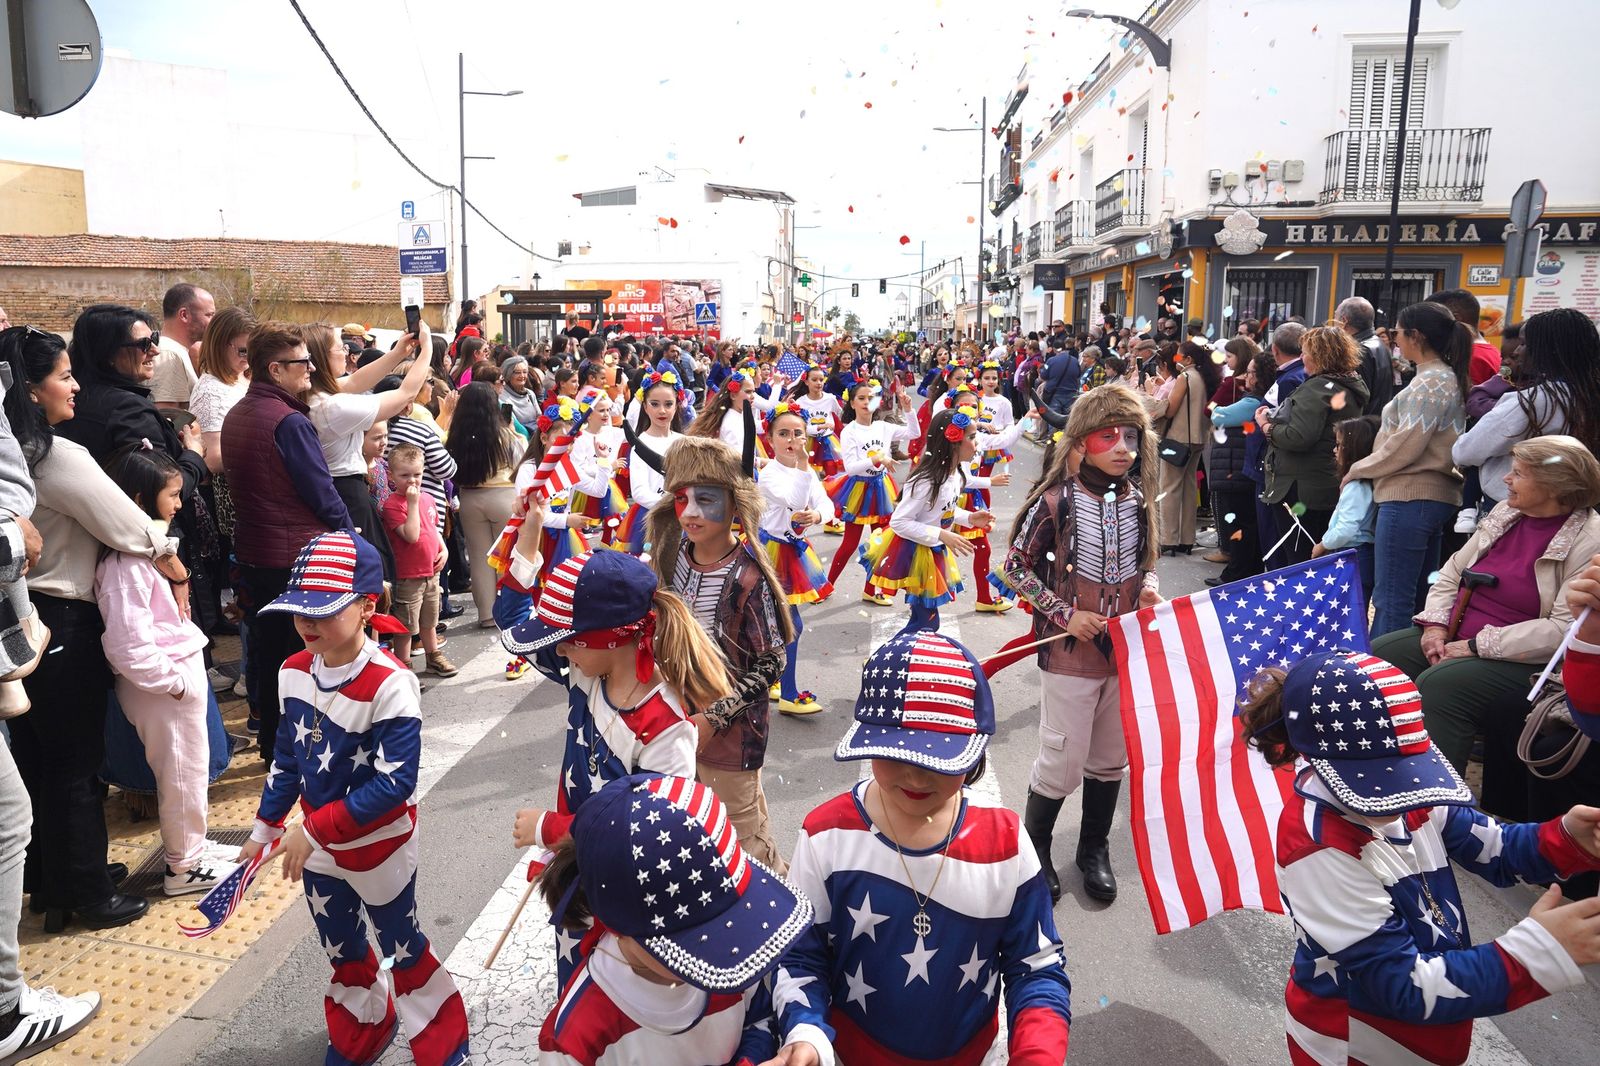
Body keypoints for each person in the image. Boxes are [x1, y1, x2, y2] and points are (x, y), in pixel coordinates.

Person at [1238, 650, 1600, 1066]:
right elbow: (1402, 987)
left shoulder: (1411, 792)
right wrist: (1539, 952)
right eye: (1378, 781)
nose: (1401, 795)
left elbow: (1496, 849)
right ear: (1318, 759)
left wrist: (1567, 837)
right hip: (1357, 1043)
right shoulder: (1318, 847)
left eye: (1406, 774)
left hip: (1431, 1027)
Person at [769, 630, 1073, 1066]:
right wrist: (806, 1033)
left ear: (975, 749)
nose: (914, 777)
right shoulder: (825, 834)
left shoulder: (1006, 842)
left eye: (937, 757)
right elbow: (800, 955)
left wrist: (1038, 1055)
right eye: (894, 753)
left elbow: (1037, 967)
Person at [237, 532, 469, 1066]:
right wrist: (263, 832)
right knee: (340, 944)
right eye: (300, 608)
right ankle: (364, 1026)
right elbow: (287, 760)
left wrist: (311, 829)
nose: (307, 621)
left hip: (379, 846)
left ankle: (441, 1039)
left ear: (367, 606)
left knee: (402, 945)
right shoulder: (292, 671)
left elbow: (395, 784)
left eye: (324, 608)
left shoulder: (392, 681)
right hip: (318, 845)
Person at [2, 325, 183, 932]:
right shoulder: (58, 457)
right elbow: (131, 527)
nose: (76, 386)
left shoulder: (14, 459)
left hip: (24, 620)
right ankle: (86, 893)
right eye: (64, 376)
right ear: (30, 390)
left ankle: (54, 880)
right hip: (65, 621)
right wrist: (172, 555)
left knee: (39, 760)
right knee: (76, 763)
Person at [1003, 383, 1161, 903]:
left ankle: (1093, 849)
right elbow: (1015, 568)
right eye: (1107, 437)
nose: (1123, 448)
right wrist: (1066, 615)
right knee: (1062, 760)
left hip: (1124, 653)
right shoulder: (1056, 501)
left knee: (1111, 757)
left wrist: (1148, 588)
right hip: (1069, 655)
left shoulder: (1139, 500)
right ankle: (1036, 849)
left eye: (1130, 437)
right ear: (1080, 443)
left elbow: (1145, 563)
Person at [534, 774, 809, 1065]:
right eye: (700, 939)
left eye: (732, 920)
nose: (731, 944)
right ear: (619, 927)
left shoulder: (735, 957)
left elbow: (759, 1018)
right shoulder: (574, 1041)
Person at [1370, 435, 1600, 775]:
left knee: (1441, 685)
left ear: (1555, 485)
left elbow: (1562, 629)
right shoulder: (1507, 512)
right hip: (1458, 633)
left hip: (1525, 659)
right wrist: (1435, 626)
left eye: (1519, 473)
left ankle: (1435, 794)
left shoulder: (1590, 539)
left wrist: (1476, 646)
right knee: (1377, 656)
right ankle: (1373, 768)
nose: (1506, 479)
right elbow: (1452, 571)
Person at [643, 437, 795, 872]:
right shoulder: (671, 556)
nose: (690, 512)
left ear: (734, 504)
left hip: (731, 736)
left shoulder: (748, 577)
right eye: (681, 499)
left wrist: (715, 717)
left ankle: (776, 901)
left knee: (741, 842)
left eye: (705, 500)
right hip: (677, 720)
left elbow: (772, 661)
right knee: (696, 825)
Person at [94, 444, 226, 896]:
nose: (178, 504)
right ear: (139, 499)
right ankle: (184, 866)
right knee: (181, 775)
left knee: (189, 770)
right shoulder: (125, 564)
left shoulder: (142, 552)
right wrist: (174, 684)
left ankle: (192, 849)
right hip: (164, 687)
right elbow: (127, 643)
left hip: (171, 680)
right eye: (171, 495)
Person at [222, 322, 353, 764]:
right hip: (293, 557)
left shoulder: (240, 413)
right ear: (275, 369)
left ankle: (273, 744)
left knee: (270, 653)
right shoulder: (289, 421)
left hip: (258, 554)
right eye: (302, 362)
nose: (311, 368)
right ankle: (297, 750)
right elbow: (322, 492)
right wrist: (351, 539)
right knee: (301, 658)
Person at [1346, 302, 1471, 638]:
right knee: (1414, 597)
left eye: (1398, 331)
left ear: (1416, 336)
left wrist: (1358, 469)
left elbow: (1406, 444)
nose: (1395, 339)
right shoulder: (1438, 377)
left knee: (1392, 599)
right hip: (1424, 496)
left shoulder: (1432, 381)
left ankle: (1383, 668)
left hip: (1410, 496)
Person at [303, 323, 432, 584]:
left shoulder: (313, 394)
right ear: (322, 358)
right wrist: (427, 349)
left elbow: (355, 380)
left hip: (337, 490)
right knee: (372, 577)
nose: (346, 352)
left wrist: (399, 352)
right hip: (347, 492)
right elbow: (405, 394)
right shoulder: (331, 406)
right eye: (339, 347)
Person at [1453, 307, 1600, 511]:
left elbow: (1465, 451)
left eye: (1523, 344)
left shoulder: (1531, 402)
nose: (1516, 351)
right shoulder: (1587, 395)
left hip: (1515, 508)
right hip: (1576, 508)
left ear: (1547, 350)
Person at [864, 408, 992, 632]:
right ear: (953, 442)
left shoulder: (955, 474)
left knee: (921, 620)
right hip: (914, 553)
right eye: (972, 437)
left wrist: (969, 517)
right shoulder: (927, 481)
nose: (977, 443)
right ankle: (895, 652)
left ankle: (899, 651)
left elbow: (942, 510)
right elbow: (899, 522)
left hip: (932, 550)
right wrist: (941, 534)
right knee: (927, 622)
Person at [1259, 326, 1368, 565]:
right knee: (1317, 559)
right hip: (1324, 481)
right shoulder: (1347, 384)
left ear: (1320, 356)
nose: (1302, 357)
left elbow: (1299, 437)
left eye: (1306, 352)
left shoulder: (1318, 388)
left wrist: (1267, 427)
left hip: (1300, 488)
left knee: (1300, 561)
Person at [757, 405, 836, 717]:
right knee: (790, 624)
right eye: (783, 434)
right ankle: (788, 694)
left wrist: (817, 515)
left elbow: (826, 504)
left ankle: (774, 681)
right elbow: (793, 501)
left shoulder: (807, 472)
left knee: (779, 623)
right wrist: (803, 465)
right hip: (770, 552)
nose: (791, 440)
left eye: (797, 433)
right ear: (770, 439)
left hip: (794, 550)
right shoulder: (769, 475)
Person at [823, 381, 916, 603]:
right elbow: (851, 467)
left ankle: (870, 589)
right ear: (852, 403)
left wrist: (908, 409)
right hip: (858, 490)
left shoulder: (883, 427)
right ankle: (827, 585)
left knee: (879, 542)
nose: (866, 402)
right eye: (861, 398)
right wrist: (877, 458)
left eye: (871, 398)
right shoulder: (850, 431)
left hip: (881, 488)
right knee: (850, 543)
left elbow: (914, 432)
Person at [444, 381, 521, 625]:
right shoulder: (504, 434)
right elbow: (520, 461)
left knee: (479, 558)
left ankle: (486, 615)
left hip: (470, 498)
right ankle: (509, 612)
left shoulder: (456, 436)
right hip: (503, 496)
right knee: (507, 557)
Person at [380, 444, 455, 677]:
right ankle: (404, 665)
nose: (412, 481)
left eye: (417, 474)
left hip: (431, 571)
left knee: (429, 619)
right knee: (405, 626)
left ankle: (433, 656)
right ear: (391, 476)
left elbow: (433, 529)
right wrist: (412, 504)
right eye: (405, 475)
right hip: (408, 575)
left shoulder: (428, 499)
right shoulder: (393, 505)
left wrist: (444, 549)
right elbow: (411, 535)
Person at [1155, 340, 1220, 555]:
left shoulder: (1185, 377)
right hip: (1198, 437)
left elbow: (1170, 410)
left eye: (1178, 356)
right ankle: (1187, 538)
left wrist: (1151, 393)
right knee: (1189, 487)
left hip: (1178, 437)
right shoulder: (1205, 376)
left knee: (1169, 487)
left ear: (1188, 359)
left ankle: (1169, 538)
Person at [1311, 415, 1381, 611]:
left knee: (1349, 611)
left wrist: (1323, 544)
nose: (1335, 450)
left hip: (1354, 555)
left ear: (1353, 450)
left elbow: (1346, 529)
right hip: (1360, 554)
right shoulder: (1366, 484)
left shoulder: (1356, 486)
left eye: (1339, 445)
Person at [615, 370, 686, 554]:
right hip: (652, 517)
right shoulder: (640, 444)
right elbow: (639, 492)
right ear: (645, 407)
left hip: (684, 515)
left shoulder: (683, 441)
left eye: (668, 404)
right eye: (655, 404)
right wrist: (672, 503)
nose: (662, 410)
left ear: (676, 405)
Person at [1204, 338, 1259, 573]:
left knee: (1230, 508)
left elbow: (1211, 410)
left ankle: (1229, 553)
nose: (1226, 361)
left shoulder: (1234, 384)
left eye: (1230, 356)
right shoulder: (1239, 384)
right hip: (1240, 452)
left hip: (1232, 453)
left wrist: (1220, 410)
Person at [150, 283, 215, 411]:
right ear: (184, 315)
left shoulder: (177, 352)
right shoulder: (168, 354)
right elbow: (166, 415)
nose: (214, 322)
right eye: (209, 315)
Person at [1427, 288, 1502, 387]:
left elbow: (1467, 396)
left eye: (1432, 321)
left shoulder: (1471, 357)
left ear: (1456, 318)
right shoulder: (1485, 351)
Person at [1334, 295, 1394, 416]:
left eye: (1335, 317)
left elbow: (1354, 399)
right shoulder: (1380, 344)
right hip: (1377, 419)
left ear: (1344, 321)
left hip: (1362, 422)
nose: (1333, 323)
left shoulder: (1357, 350)